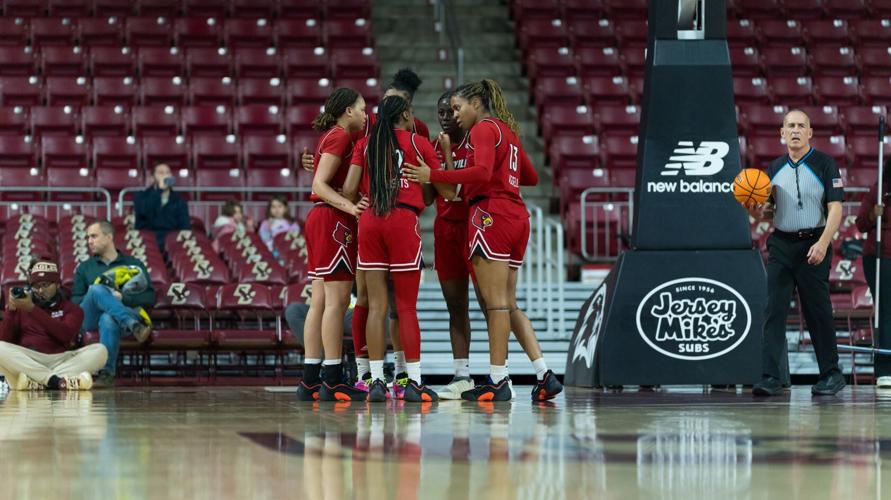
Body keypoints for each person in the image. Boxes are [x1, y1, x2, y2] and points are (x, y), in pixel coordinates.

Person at [403, 79, 563, 402]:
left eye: (459, 107)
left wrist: (433, 175)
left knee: (496, 305)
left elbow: (482, 173)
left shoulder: (482, 130)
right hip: (517, 215)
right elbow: (529, 177)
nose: (455, 114)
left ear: (476, 103)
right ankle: (544, 374)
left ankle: (498, 379)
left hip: (490, 214)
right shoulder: (508, 131)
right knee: (507, 303)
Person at [343, 95, 454, 403]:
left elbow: (350, 190)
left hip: (370, 221)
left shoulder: (366, 145)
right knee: (404, 308)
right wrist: (443, 155)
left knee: (375, 307)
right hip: (402, 220)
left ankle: (375, 380)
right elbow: (443, 192)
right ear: (405, 114)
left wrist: (361, 201)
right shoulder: (419, 144)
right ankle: (413, 382)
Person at [748, 109, 845, 396]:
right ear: (781, 132)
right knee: (773, 311)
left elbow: (836, 208)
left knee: (818, 312)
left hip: (814, 242)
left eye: (801, 125)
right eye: (790, 125)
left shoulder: (826, 164)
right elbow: (767, 213)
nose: (795, 130)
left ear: (810, 132)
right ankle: (770, 377)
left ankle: (831, 373)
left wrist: (823, 243)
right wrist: (753, 208)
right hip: (781, 244)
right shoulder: (773, 168)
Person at [296, 87, 369, 402]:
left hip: (321, 219)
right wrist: (349, 206)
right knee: (336, 303)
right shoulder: (340, 136)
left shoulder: (333, 136)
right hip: (332, 221)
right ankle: (332, 378)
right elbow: (319, 185)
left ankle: (311, 379)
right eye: (363, 109)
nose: (366, 115)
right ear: (349, 111)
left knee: (320, 302)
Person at [0, 257, 107, 391]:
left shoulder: (72, 309)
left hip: (60, 359)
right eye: (36, 286)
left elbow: (65, 335)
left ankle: (37, 382)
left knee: (100, 350)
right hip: (28, 358)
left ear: (57, 285)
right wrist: (10, 311)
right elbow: (5, 341)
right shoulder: (22, 306)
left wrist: (33, 309)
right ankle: (56, 381)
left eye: (45, 285)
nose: (40, 291)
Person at [430, 90, 476, 399]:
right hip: (445, 231)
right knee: (455, 305)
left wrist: (446, 157)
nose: (446, 118)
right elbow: (437, 191)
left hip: (474, 227)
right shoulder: (433, 144)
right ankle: (462, 374)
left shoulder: (477, 142)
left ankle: (501, 374)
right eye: (442, 112)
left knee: (491, 305)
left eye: (451, 111)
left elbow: (457, 191)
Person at [72, 220, 156, 388]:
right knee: (96, 290)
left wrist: (122, 298)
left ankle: (107, 374)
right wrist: (102, 298)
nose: (89, 241)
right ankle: (134, 325)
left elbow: (149, 297)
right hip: (90, 318)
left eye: (94, 236)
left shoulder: (134, 265)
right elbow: (75, 301)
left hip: (116, 317)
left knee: (108, 318)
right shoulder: (85, 268)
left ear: (109, 237)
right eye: (88, 237)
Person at [854, 162, 891, 389]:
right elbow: (860, 224)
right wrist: (872, 214)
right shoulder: (879, 191)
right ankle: (885, 370)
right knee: (886, 311)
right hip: (880, 259)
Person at [134, 162, 191, 251]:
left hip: (171, 242)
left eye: (168, 173)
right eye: (161, 173)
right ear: (153, 178)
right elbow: (144, 211)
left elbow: (185, 226)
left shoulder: (179, 200)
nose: (165, 176)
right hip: (147, 241)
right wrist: (159, 190)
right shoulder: (141, 196)